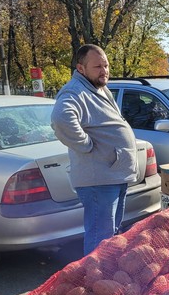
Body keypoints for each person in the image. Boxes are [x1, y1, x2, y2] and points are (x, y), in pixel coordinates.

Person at [51, 44, 139, 256]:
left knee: (111, 236)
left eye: (106, 65)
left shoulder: (97, 88)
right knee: (101, 238)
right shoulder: (76, 91)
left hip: (111, 175)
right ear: (81, 69)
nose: (104, 71)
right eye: (98, 66)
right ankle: (94, 284)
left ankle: (107, 278)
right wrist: (86, 145)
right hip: (99, 179)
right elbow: (61, 119)